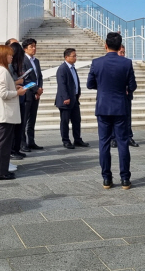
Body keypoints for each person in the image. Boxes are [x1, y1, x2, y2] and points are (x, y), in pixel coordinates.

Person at [87, 32, 137, 190]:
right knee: (123, 143)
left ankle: (107, 179)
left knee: (104, 143)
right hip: (120, 107)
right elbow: (133, 86)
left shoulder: (96, 63)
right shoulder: (127, 63)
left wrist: (102, 87)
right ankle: (125, 179)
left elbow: (90, 84)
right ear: (120, 46)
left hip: (103, 107)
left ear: (105, 45)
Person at [0, 45, 26, 180]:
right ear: (3, 56)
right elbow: (3, 93)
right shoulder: (3, 71)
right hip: (4, 114)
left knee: (2, 143)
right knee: (2, 144)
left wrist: (14, 87)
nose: (12, 57)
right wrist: (17, 92)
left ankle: (1, 169)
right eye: (9, 55)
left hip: (4, 113)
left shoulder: (1, 70)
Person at [55, 48, 89, 149]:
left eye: (75, 56)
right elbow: (62, 84)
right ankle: (66, 140)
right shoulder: (62, 69)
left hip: (74, 99)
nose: (75, 58)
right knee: (65, 121)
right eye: (73, 56)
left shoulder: (73, 68)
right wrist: (66, 97)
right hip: (66, 100)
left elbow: (75, 82)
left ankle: (77, 139)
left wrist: (78, 93)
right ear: (66, 57)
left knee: (76, 120)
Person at [112, 45, 139, 148]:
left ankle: (128, 137)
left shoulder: (127, 64)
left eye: (123, 52)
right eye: (120, 52)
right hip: (115, 97)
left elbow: (132, 81)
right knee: (114, 118)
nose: (122, 54)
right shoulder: (112, 65)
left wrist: (129, 89)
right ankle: (114, 138)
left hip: (126, 97)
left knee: (127, 118)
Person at [21, 38, 44, 151]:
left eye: (35, 46)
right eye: (31, 46)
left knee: (32, 120)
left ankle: (31, 141)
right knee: (24, 120)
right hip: (27, 94)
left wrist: (40, 88)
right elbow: (25, 78)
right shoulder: (22, 61)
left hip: (36, 94)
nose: (34, 48)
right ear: (25, 49)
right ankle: (22, 143)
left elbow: (39, 76)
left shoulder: (36, 61)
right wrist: (36, 89)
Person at [8, 42, 28, 162]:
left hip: (20, 97)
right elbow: (9, 84)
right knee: (15, 127)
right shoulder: (9, 66)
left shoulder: (15, 65)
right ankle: (12, 150)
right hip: (15, 97)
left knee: (20, 126)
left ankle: (16, 149)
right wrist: (19, 81)